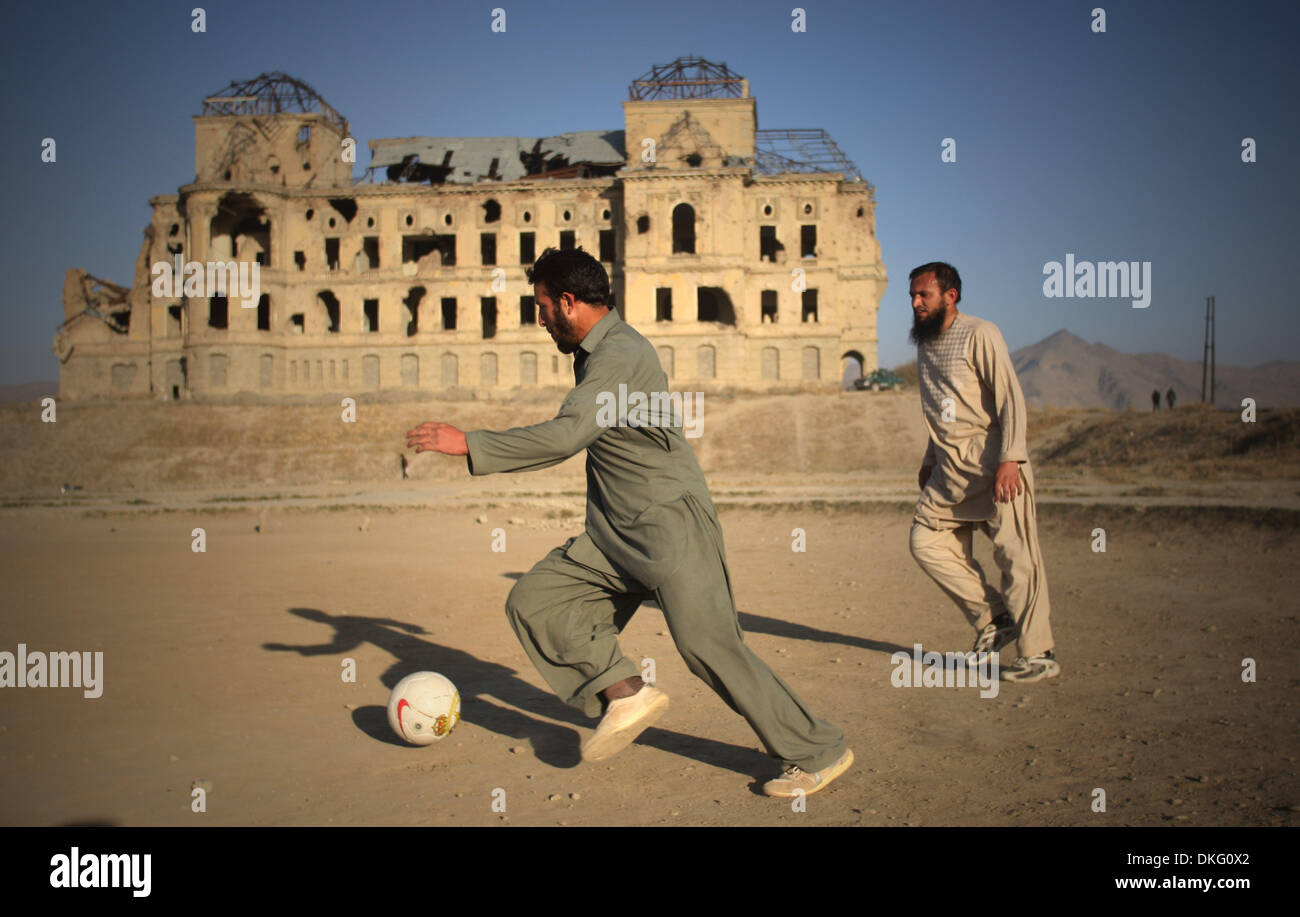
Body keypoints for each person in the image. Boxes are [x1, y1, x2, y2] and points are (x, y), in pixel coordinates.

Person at [405, 247, 852, 796]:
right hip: (613, 533)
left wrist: (467, 443)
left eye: (542, 307)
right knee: (536, 601)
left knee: (710, 648)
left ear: (568, 302)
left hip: (667, 527)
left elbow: (568, 435)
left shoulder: (620, 354)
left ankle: (819, 751)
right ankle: (625, 694)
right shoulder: (596, 353)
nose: (539, 319)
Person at [906, 262, 1059, 682]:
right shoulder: (925, 344)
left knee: (1016, 556)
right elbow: (939, 408)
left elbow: (1011, 398)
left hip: (994, 465)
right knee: (925, 541)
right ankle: (994, 619)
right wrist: (929, 458)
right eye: (913, 297)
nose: (916, 303)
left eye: (925, 296)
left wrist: (1012, 458)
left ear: (950, 296)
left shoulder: (980, 333)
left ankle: (1039, 653)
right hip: (950, 470)